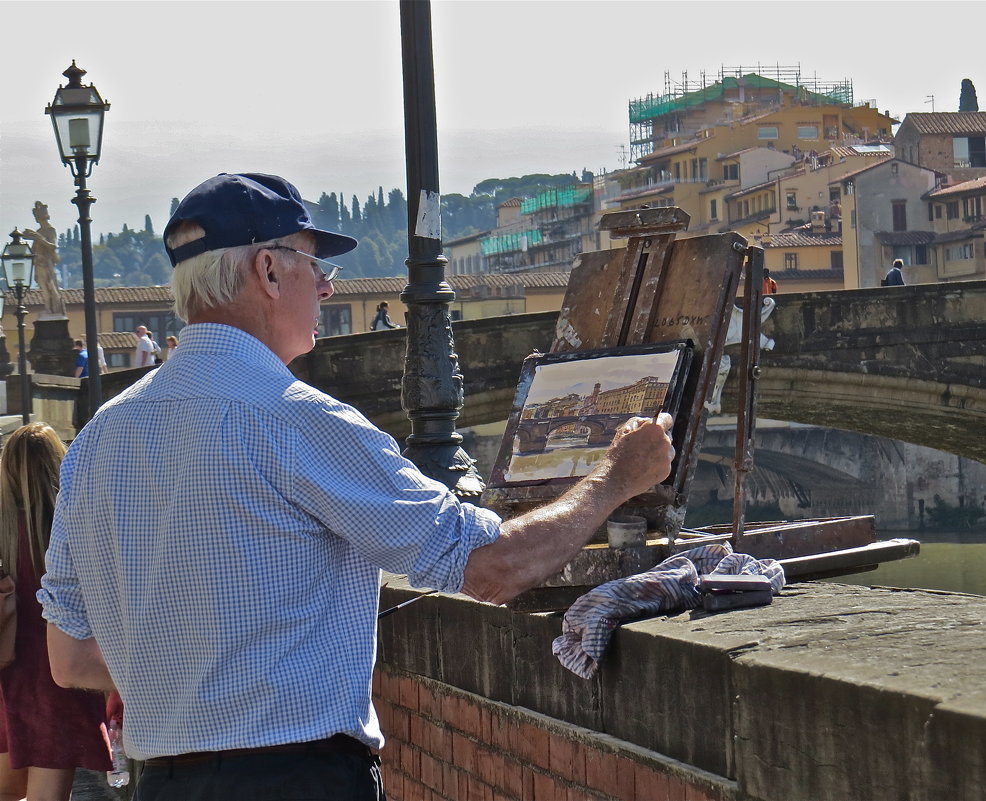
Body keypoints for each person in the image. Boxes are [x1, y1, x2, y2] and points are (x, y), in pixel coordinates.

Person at [38, 173, 674, 800]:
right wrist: (616, 478)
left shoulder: (99, 439)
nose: (324, 286)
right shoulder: (296, 418)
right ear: (267, 270)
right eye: (315, 266)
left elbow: (68, 659)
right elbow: (493, 568)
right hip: (296, 779)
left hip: (165, 785)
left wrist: (184, 675)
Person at [0, 423, 111, 801]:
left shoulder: (3, 532)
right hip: (58, 674)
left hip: (6, 673)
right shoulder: (72, 529)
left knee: (6, 789)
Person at [22, 202, 65, 319]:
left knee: (51, 286)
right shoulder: (39, 231)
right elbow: (33, 250)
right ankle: (48, 308)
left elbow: (53, 246)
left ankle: (54, 309)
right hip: (39, 263)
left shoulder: (50, 230)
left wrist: (39, 238)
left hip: (47, 263)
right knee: (44, 288)